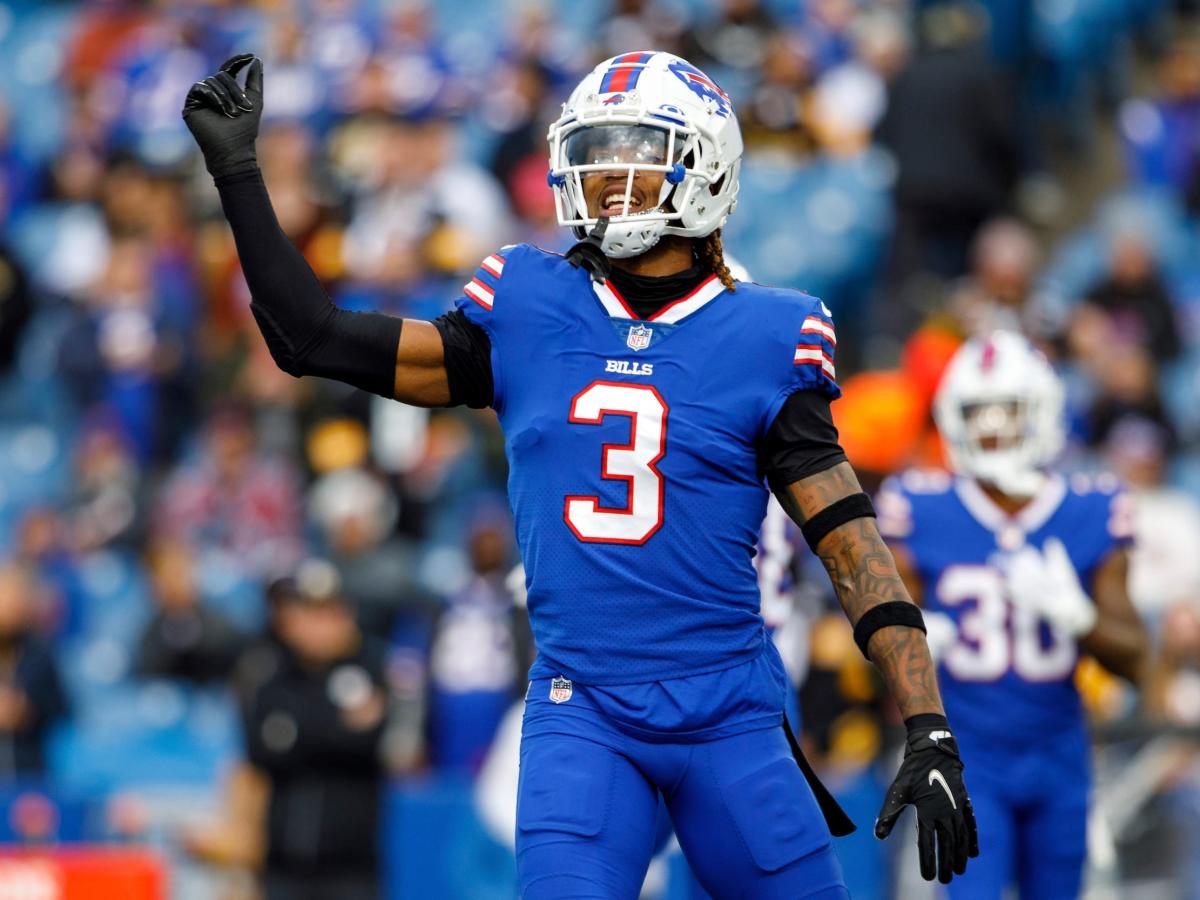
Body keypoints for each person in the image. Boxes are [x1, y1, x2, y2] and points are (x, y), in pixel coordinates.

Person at [184, 51, 978, 897]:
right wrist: (237, 171)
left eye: (634, 152)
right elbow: (312, 338)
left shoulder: (769, 333)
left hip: (731, 717)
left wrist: (928, 726)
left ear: (703, 164)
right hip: (584, 712)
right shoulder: (525, 303)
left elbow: (853, 551)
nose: (607, 178)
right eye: (595, 154)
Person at [877, 331, 1149, 899]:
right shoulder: (918, 504)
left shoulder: (1091, 506)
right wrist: (917, 641)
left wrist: (1078, 617)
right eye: (979, 412)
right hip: (967, 755)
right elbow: (875, 644)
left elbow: (1137, 661)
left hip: (1061, 754)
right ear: (954, 418)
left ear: (1044, 413)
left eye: (1011, 411)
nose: (994, 427)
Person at [238, 560, 391, 900]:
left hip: (352, 867)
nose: (317, 625)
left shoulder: (371, 668)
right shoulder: (271, 676)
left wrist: (296, 732)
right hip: (283, 866)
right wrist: (339, 725)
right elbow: (258, 750)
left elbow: (372, 742)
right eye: (308, 612)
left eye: (328, 612)